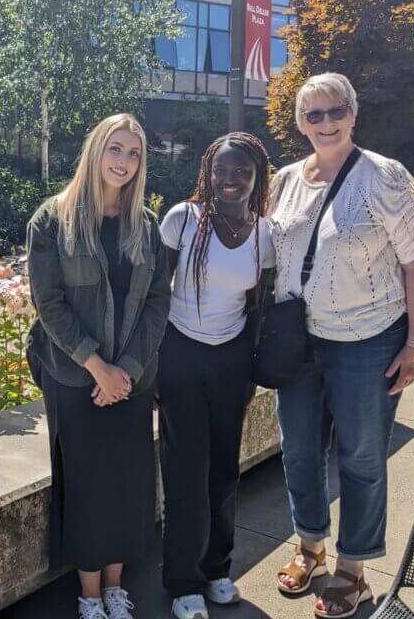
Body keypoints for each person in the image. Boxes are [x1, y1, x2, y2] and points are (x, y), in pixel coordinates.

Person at [271, 73, 414, 618]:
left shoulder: (384, 176)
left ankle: (353, 570)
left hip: (368, 342)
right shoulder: (286, 180)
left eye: (335, 111)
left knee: (361, 457)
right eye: (313, 114)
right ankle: (310, 545)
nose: (325, 123)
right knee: (298, 449)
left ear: (353, 114)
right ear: (301, 122)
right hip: (298, 343)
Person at [26, 113, 171, 619]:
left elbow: (158, 303)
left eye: (134, 153)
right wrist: (97, 367)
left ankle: (115, 587)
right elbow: (49, 304)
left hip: (131, 380)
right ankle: (89, 596)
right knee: (87, 486)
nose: (123, 162)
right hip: (74, 378)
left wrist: (125, 368)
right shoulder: (53, 220)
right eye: (115, 149)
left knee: (128, 484)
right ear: (95, 151)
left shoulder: (145, 226)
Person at [157, 133, 275, 619]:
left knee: (224, 470)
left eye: (241, 171)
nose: (230, 179)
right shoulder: (182, 220)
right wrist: (153, 367)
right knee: (186, 472)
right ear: (207, 173)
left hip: (231, 361)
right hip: (180, 354)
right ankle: (183, 580)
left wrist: (250, 374)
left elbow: (257, 308)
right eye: (221, 170)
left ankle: (216, 569)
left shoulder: (265, 234)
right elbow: (155, 296)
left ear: (257, 177)